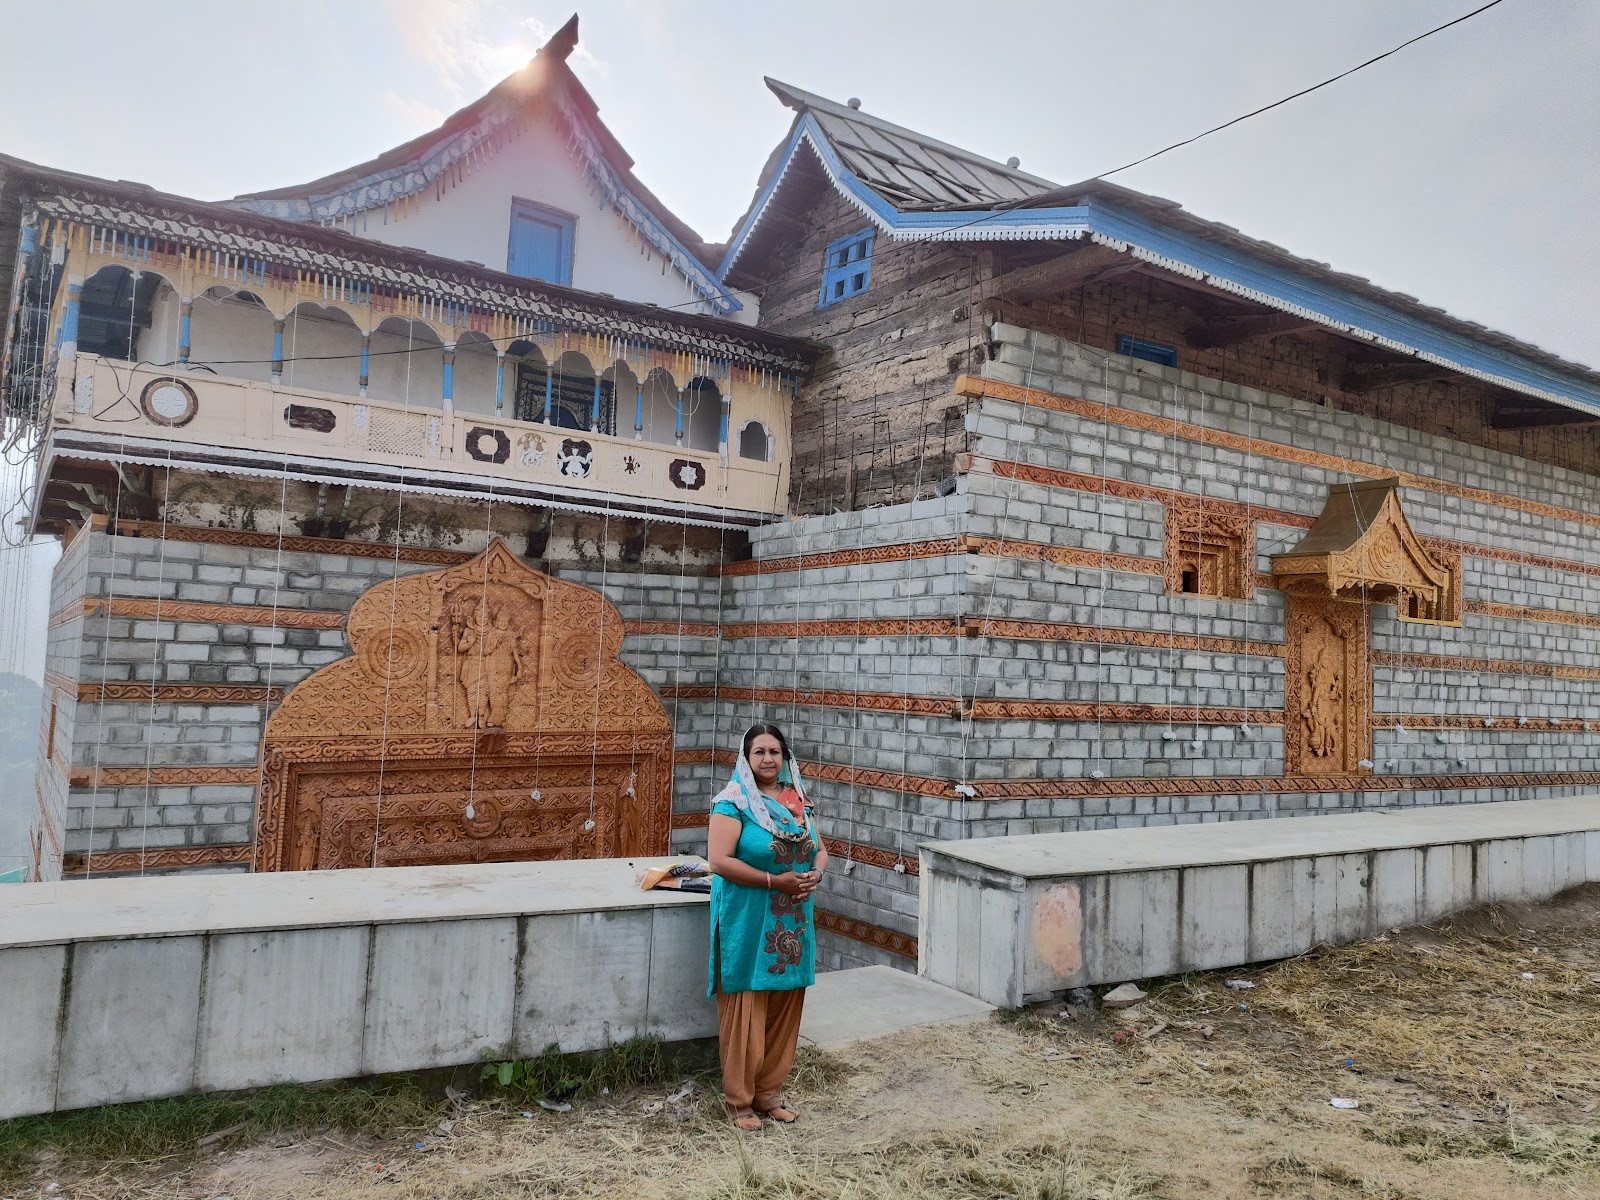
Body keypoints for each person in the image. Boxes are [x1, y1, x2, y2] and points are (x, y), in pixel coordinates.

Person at [706, 722, 829, 1131]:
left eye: (775, 752)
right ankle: (739, 1101)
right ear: (746, 758)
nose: (767, 760)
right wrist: (776, 881)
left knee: (785, 1003)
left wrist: (816, 874)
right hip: (749, 916)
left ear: (785, 757)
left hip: (792, 921)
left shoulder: (798, 802)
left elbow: (820, 850)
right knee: (747, 1005)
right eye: (759, 752)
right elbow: (720, 861)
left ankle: (768, 1094)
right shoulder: (733, 803)